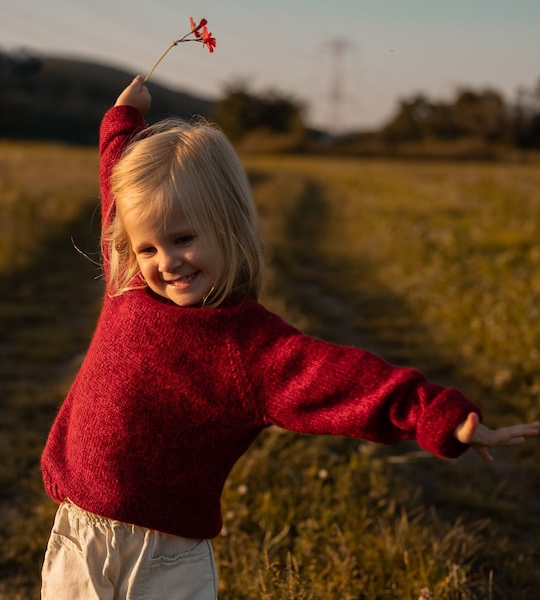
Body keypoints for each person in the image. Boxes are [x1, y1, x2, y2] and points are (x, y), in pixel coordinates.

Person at [40, 75, 539, 600]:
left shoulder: (247, 350)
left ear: (228, 226)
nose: (166, 262)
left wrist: (438, 414)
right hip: (80, 536)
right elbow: (114, 181)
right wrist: (121, 118)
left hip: (165, 559)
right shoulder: (128, 283)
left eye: (184, 238)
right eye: (150, 247)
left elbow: (345, 382)